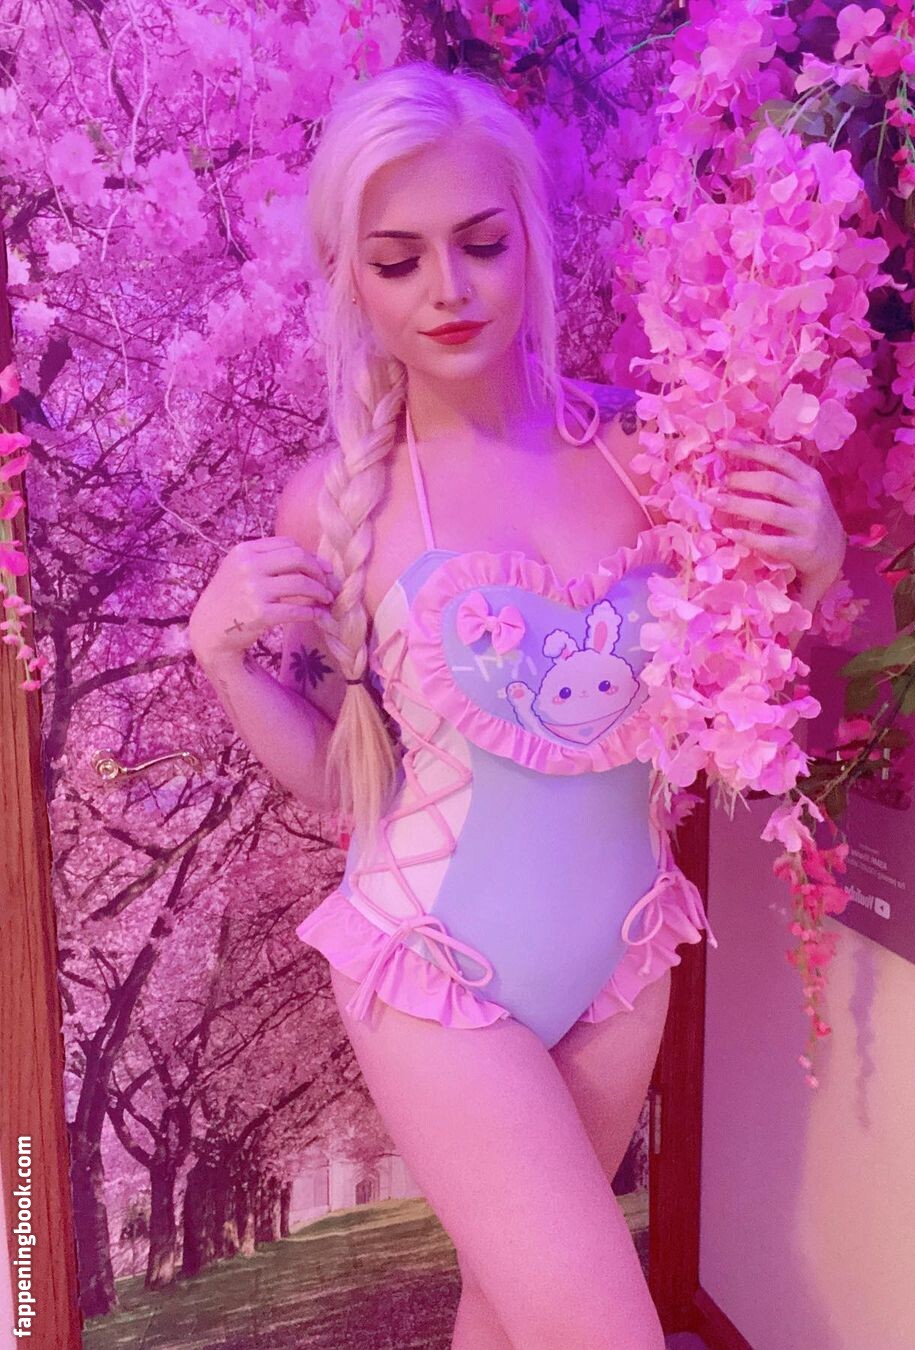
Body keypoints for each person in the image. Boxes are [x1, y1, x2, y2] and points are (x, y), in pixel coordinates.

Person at [187, 61, 845, 1350]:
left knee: (509, 1313)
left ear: (532, 239)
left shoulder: (657, 452)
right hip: (432, 961)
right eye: (399, 260)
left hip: (623, 957)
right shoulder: (332, 505)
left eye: (482, 243)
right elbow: (337, 781)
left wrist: (813, 569)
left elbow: (741, 699)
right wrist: (221, 660)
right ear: (349, 278)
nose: (450, 288)